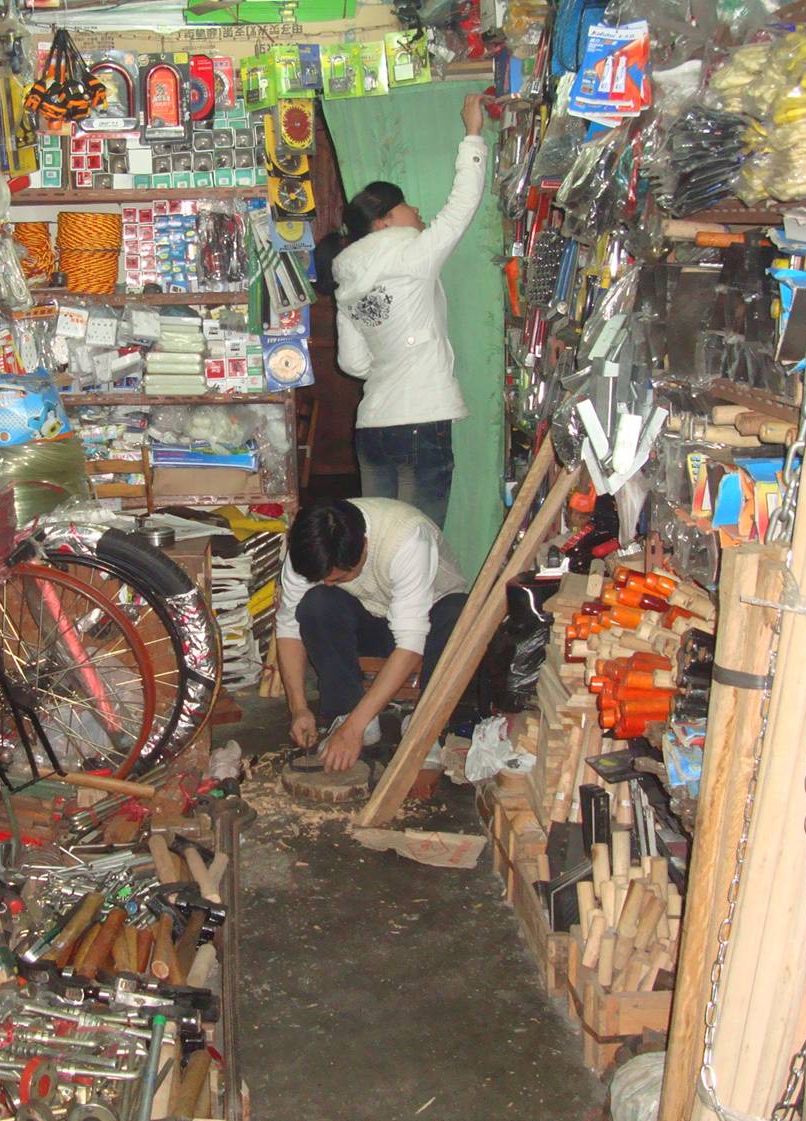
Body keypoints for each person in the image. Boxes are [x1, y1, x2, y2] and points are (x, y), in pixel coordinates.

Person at [315, 93, 489, 527]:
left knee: (382, 544)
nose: (417, 211)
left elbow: (352, 362)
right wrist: (472, 136)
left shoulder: (349, 280)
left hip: (372, 426)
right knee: (420, 544)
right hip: (420, 420)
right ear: (384, 221)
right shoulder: (409, 254)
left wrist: (391, 353)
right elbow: (459, 210)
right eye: (406, 205)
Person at [275, 496, 468, 773]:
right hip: (371, 623)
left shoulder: (408, 536)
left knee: (459, 612)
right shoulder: (306, 548)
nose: (331, 583)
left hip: (429, 627)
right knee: (317, 602)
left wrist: (354, 728)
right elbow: (288, 626)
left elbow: (411, 641)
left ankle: (425, 722)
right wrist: (299, 708)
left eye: (340, 578)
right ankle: (347, 711)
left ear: (364, 546)